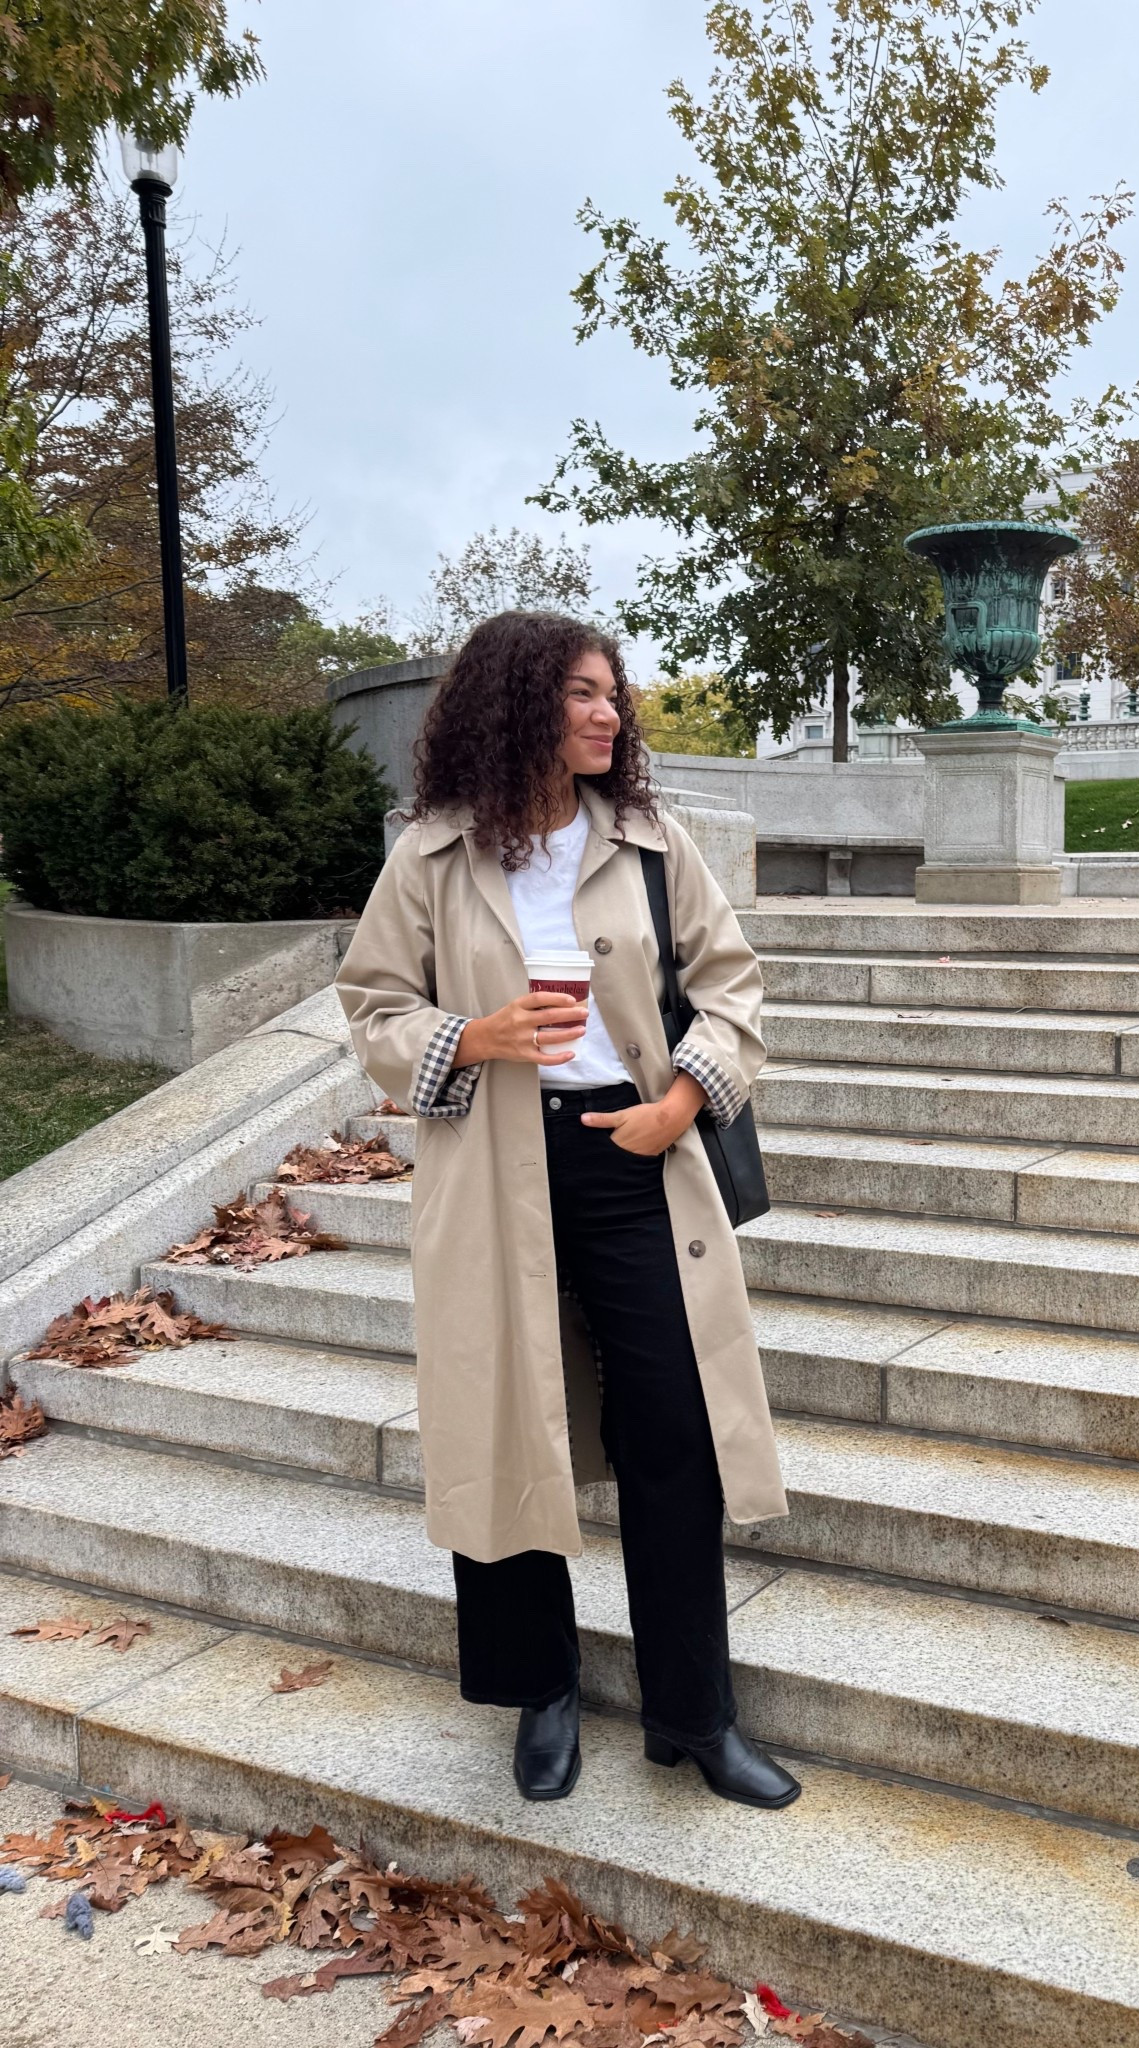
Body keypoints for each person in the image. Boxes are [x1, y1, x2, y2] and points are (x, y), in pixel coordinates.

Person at [336, 610, 797, 1810]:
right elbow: (372, 1003)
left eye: (612, 695)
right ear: (516, 702)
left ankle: (693, 1713)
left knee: (674, 1428)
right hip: (494, 1165)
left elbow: (731, 982)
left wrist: (682, 1102)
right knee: (507, 1429)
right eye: (582, 694)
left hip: (632, 1151)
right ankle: (539, 1692)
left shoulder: (648, 839)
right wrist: (467, 1036)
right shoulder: (431, 855)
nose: (608, 713)